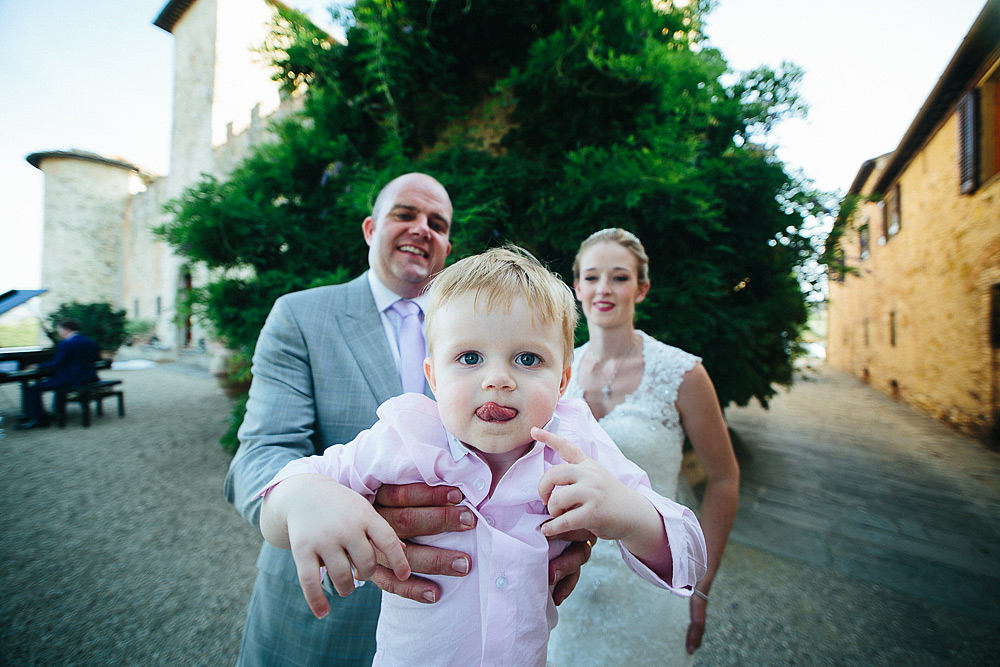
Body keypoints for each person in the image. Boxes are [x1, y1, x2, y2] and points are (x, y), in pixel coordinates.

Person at [257, 246, 708, 666]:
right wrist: (305, 498)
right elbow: (281, 498)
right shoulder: (406, 435)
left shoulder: (574, 443)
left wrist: (630, 513)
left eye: (528, 359)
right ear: (432, 377)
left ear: (563, 378)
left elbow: (689, 550)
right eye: (470, 357)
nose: (498, 378)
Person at [224, 174, 591, 665]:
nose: (422, 228)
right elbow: (261, 453)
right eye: (405, 214)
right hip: (328, 608)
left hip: (462, 628)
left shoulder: (492, 326)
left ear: (447, 245)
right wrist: (304, 496)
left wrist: (570, 520)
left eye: (437, 223)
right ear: (371, 228)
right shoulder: (300, 316)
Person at [547, 228, 741, 666]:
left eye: (619, 277)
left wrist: (701, 579)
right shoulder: (555, 371)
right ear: (576, 286)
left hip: (654, 580)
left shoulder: (682, 374)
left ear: (642, 287)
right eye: (592, 277)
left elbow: (725, 478)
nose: (604, 289)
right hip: (566, 588)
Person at [19, 318, 100, 429]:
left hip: (72, 379)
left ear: (66, 329)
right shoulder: (90, 341)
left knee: (33, 388)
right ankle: (55, 411)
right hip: (89, 377)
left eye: (59, 331)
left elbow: (55, 363)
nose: (59, 333)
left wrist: (36, 366)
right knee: (54, 380)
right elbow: (96, 359)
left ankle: (38, 419)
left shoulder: (66, 344)